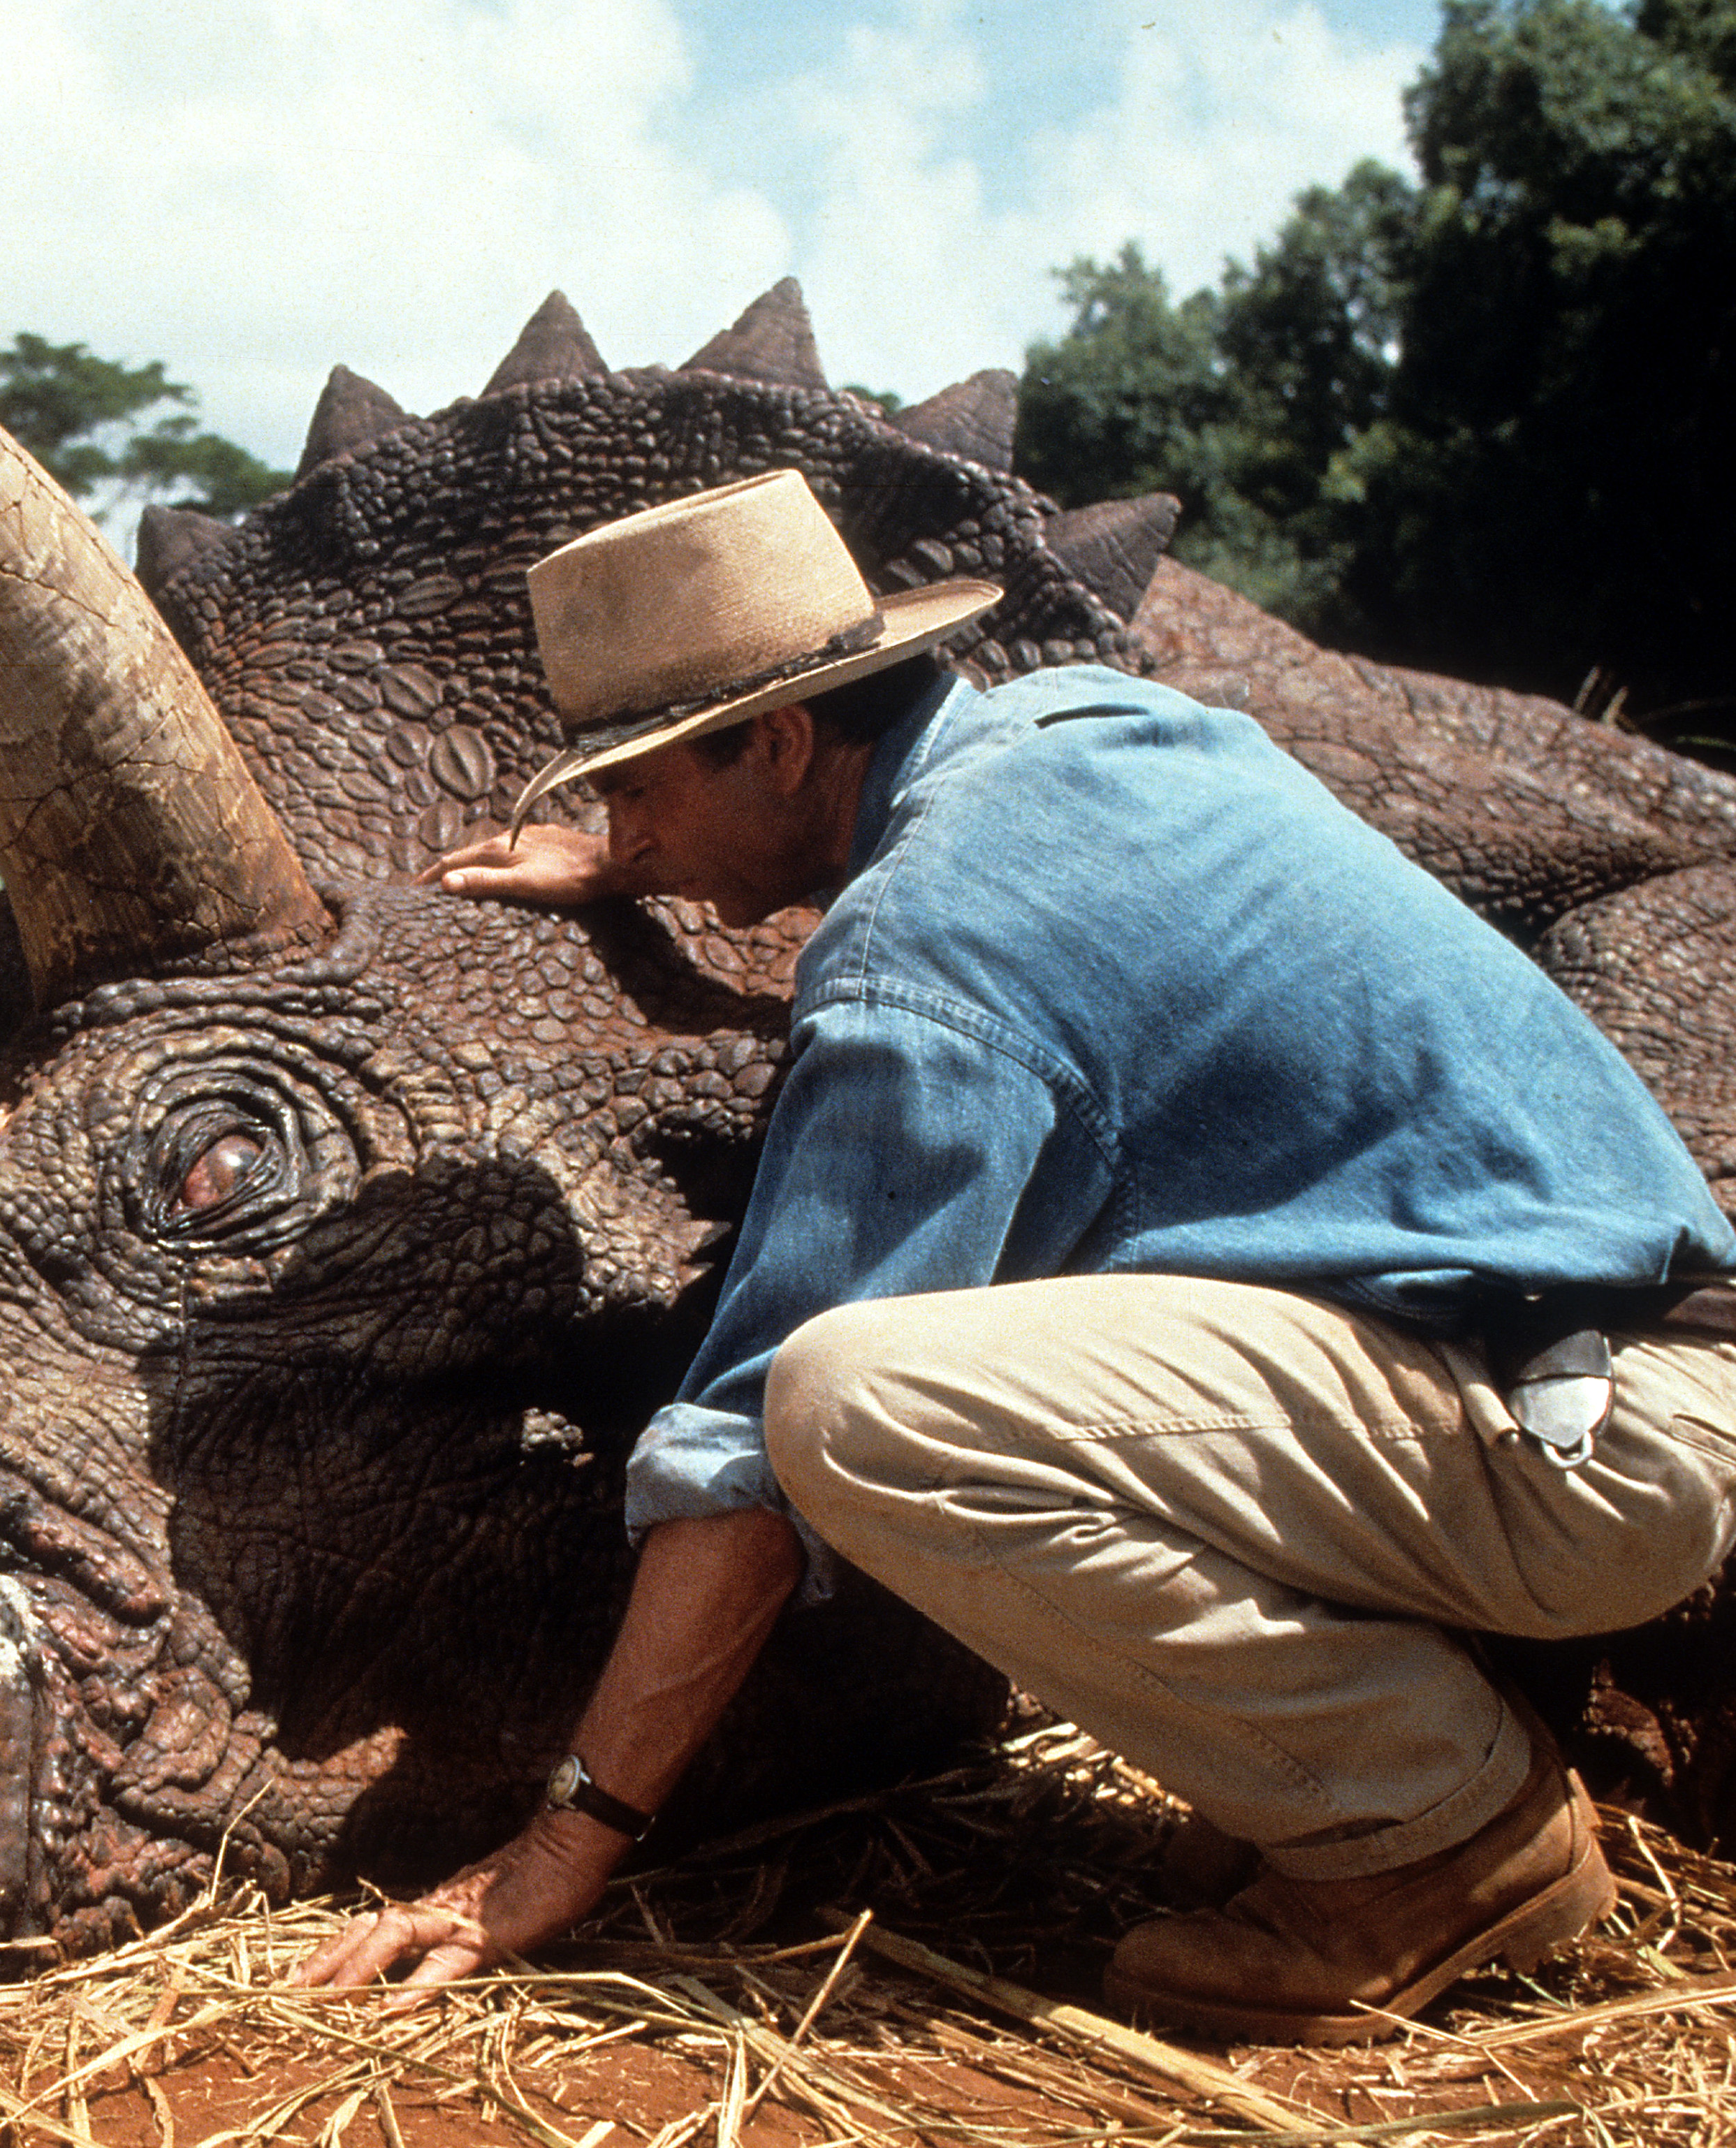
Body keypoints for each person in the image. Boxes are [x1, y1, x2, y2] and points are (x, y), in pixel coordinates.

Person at [292, 469, 1736, 2045]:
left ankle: (1446, 1839)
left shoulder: (921, 949)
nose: (620, 829)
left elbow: (748, 1466)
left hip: (1586, 1448)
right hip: (1602, 1348)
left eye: (637, 790)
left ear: (779, 740)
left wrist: (561, 1842)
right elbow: (1040, 961)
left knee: (849, 1404)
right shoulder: (1089, 724)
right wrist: (653, 859)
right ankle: (1439, 1710)